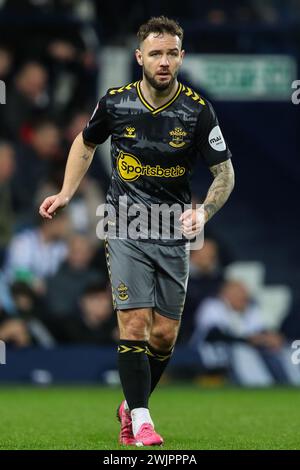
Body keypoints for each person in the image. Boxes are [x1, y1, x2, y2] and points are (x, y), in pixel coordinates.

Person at [39, 16, 234, 447]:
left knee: (164, 335)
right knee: (134, 323)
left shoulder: (197, 111)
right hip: (124, 224)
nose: (163, 61)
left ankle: (132, 403)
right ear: (139, 57)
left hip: (173, 231)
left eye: (171, 53)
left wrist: (203, 213)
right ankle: (143, 420)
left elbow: (224, 175)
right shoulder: (115, 103)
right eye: (155, 53)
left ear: (181, 57)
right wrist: (67, 192)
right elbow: (84, 143)